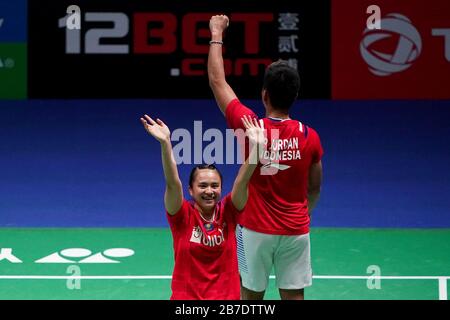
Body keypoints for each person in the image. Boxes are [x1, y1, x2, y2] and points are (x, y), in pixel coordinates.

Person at [208, 15, 324, 300]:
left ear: (264, 95)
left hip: (254, 231)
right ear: (295, 95)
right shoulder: (310, 136)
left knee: (250, 297)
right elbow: (314, 188)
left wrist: (216, 33)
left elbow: (217, 81)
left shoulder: (249, 126)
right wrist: (300, 215)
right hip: (295, 230)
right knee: (294, 297)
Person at [140, 114, 265, 300]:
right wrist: (165, 143)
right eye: (202, 185)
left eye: (215, 186)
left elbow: (242, 181)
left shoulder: (230, 212)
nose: (209, 191)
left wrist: (257, 150)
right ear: (190, 190)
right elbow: (173, 183)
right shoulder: (181, 216)